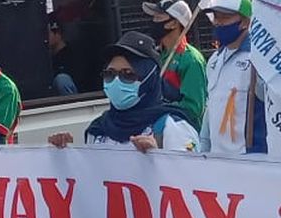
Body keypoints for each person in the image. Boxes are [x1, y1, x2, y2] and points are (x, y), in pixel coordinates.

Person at [48, 32, 199, 153]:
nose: (116, 81)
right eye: (110, 74)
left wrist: (158, 158)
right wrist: (64, 156)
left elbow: (192, 182)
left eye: (127, 74)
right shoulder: (98, 129)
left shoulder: (171, 128)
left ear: (148, 80)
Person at [200, 0, 267, 155]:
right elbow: (211, 107)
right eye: (216, 17)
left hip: (250, 160)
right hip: (218, 160)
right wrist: (204, 147)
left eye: (225, 17)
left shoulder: (259, 59)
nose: (218, 23)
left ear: (245, 21)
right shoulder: (214, 60)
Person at [142, 0, 207, 131]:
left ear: (174, 23)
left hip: (183, 134)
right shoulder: (156, 55)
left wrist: (162, 109)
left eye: (158, 17)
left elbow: (194, 108)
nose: (153, 21)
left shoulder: (191, 60)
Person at [48, 14, 80, 95]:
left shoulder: (72, 55)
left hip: (77, 103)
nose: (44, 37)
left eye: (47, 33)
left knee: (62, 79)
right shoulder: (48, 57)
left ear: (57, 34)